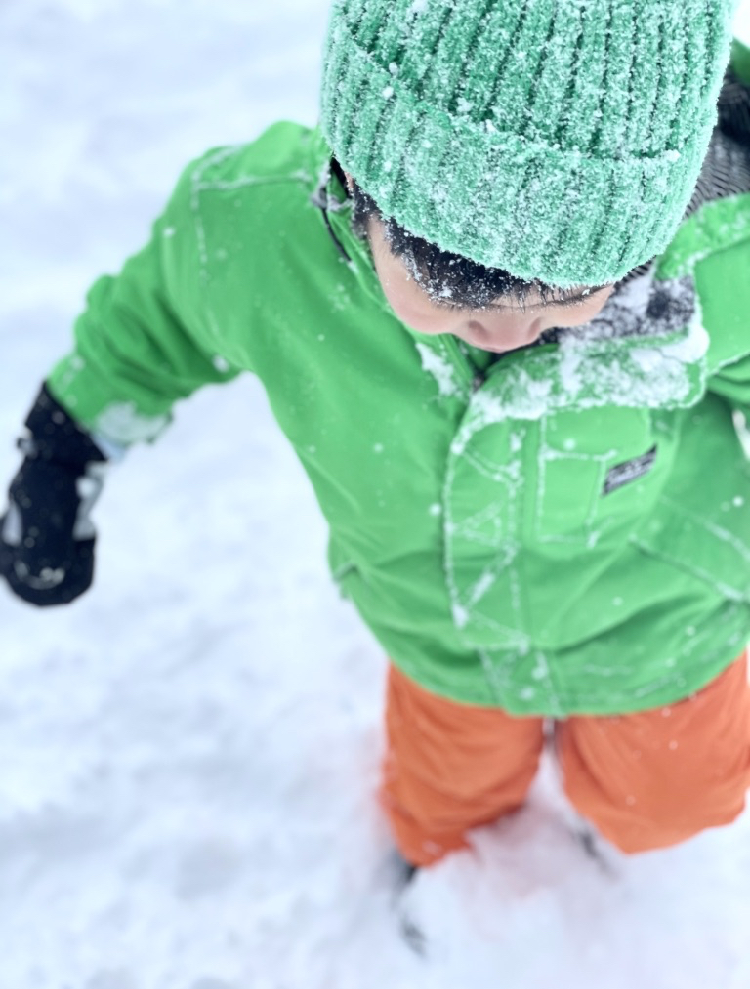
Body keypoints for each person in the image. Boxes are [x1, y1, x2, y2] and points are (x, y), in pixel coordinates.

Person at [3, 0, 750, 869]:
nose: (508, 334)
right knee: (444, 809)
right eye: (455, 300)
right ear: (360, 188)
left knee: (667, 807)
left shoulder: (717, 259)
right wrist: (68, 447)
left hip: (664, 621)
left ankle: (601, 833)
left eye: (567, 300)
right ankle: (456, 878)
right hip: (440, 635)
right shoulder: (269, 242)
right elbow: (161, 311)